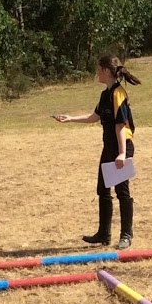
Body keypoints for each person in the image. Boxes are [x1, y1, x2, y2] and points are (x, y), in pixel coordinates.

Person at [54, 55, 138, 249]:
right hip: (109, 147)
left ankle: (126, 235)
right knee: (103, 189)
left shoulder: (119, 93)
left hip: (121, 146)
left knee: (122, 191)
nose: (97, 73)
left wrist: (122, 154)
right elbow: (95, 116)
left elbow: (120, 125)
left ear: (107, 71)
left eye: (99, 69)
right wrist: (70, 118)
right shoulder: (105, 94)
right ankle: (103, 234)